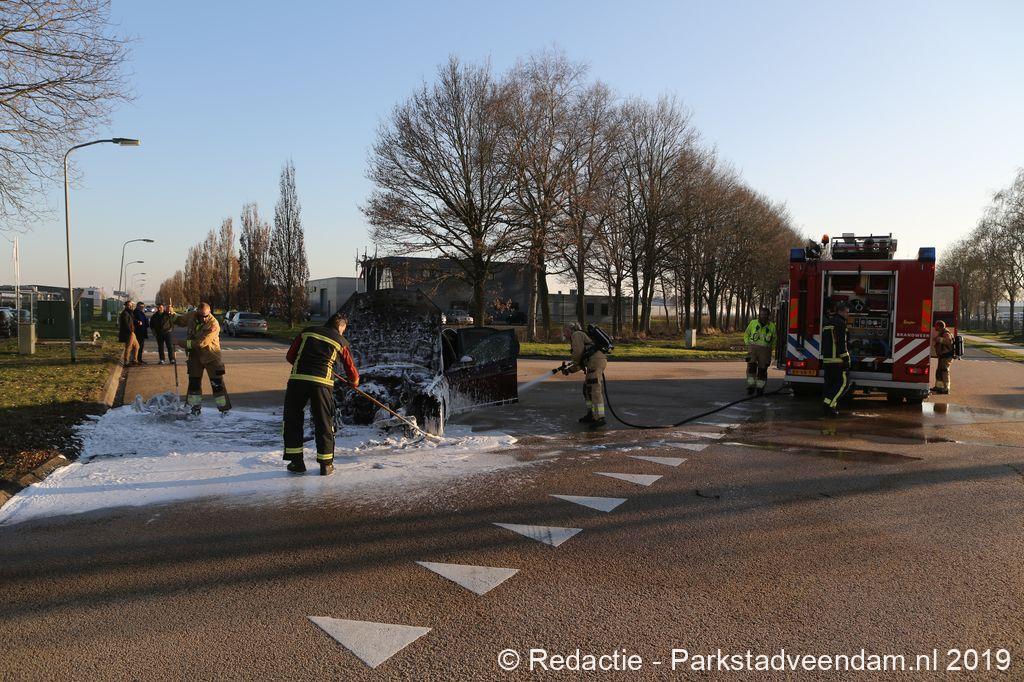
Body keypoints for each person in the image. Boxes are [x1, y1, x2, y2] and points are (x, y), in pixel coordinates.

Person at [282, 313, 360, 476]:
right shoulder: (341, 341)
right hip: (322, 383)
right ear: (340, 326)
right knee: (323, 421)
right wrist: (353, 382)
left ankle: (296, 463)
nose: (343, 332)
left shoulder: (307, 332)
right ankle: (326, 465)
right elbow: (351, 370)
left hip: (298, 380)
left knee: (293, 419)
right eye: (344, 328)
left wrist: (306, 365)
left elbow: (290, 356)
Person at [172, 302, 230, 415]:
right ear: (197, 312)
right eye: (201, 316)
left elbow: (201, 343)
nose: (204, 318)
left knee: (217, 384)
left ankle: (224, 410)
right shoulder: (192, 315)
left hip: (211, 357)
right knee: (194, 384)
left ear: (209, 313)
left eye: (206, 316)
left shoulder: (214, 324)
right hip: (195, 356)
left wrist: (179, 343)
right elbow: (181, 321)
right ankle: (194, 409)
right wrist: (171, 314)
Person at [560, 322, 608, 428]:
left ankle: (600, 417)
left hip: (595, 362)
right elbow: (581, 361)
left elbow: (577, 354)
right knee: (587, 389)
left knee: (594, 389)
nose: (564, 334)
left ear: (569, 330)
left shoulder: (576, 334)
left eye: (564, 331)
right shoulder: (578, 336)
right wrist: (569, 370)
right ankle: (592, 414)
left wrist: (571, 363)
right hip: (594, 362)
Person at [821, 301, 852, 417]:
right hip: (838, 361)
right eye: (847, 312)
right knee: (843, 384)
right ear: (841, 311)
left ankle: (830, 407)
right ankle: (829, 405)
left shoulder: (828, 323)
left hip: (828, 360)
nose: (848, 314)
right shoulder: (840, 324)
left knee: (830, 385)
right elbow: (841, 343)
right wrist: (846, 359)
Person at [743, 306, 776, 396]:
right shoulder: (753, 323)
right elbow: (746, 334)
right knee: (751, 368)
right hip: (753, 350)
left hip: (765, 351)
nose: (763, 316)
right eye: (762, 314)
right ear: (759, 315)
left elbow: (774, 339)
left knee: (762, 370)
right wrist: (748, 344)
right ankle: (751, 386)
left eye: (765, 315)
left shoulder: (772, 326)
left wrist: (771, 348)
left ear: (768, 315)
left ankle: (760, 388)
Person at [931, 320, 955, 394]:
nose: (935, 327)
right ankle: (939, 387)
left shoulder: (946, 333)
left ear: (939, 326)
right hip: (942, 356)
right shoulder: (941, 333)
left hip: (946, 356)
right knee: (939, 371)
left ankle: (946, 388)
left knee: (944, 371)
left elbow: (948, 341)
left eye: (936, 326)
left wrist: (938, 339)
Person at [118, 301, 139, 367]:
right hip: (129, 333)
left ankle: (134, 360)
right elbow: (125, 324)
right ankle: (126, 362)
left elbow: (132, 320)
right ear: (126, 306)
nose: (130, 306)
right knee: (129, 347)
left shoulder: (129, 312)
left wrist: (137, 322)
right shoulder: (125, 313)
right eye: (129, 305)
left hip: (132, 332)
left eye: (131, 305)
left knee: (136, 346)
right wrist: (130, 331)